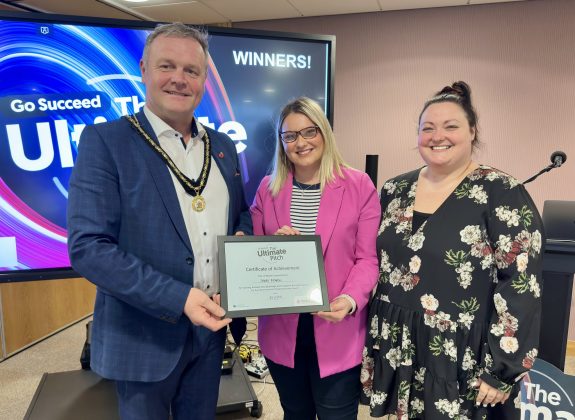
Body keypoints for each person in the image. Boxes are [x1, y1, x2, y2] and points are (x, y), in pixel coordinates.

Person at [67, 23, 252, 420]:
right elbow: (89, 249)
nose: (179, 79)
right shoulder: (106, 142)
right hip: (142, 338)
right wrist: (179, 299)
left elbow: (241, 214)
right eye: (167, 66)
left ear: (204, 80)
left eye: (192, 71)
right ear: (144, 70)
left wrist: (241, 249)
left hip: (210, 335)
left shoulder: (222, 147)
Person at [361, 81, 544, 419]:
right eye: (426, 128)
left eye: (451, 126)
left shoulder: (501, 192)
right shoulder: (394, 189)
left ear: (472, 132)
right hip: (399, 341)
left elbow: (521, 285)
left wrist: (501, 370)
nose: (437, 136)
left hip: (462, 354)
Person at [250, 97, 381, 419]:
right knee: (295, 412)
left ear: (324, 133)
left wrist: (351, 299)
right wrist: (274, 248)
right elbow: (252, 255)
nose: (301, 142)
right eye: (290, 136)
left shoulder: (358, 185)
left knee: (336, 412)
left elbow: (367, 258)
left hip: (337, 326)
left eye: (309, 132)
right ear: (282, 144)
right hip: (282, 331)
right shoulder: (268, 189)